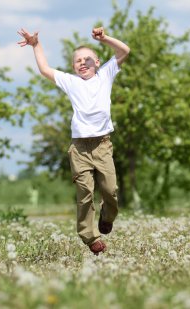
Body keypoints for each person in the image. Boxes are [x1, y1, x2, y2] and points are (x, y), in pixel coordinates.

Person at [17, 27, 130, 255]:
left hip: (102, 145)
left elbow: (124, 51)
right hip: (79, 148)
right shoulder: (71, 82)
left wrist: (104, 38)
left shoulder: (106, 74)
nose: (82, 63)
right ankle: (90, 237)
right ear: (73, 67)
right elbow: (45, 70)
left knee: (110, 190)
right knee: (84, 193)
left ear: (98, 62)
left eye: (87, 59)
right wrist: (35, 45)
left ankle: (107, 216)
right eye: (77, 60)